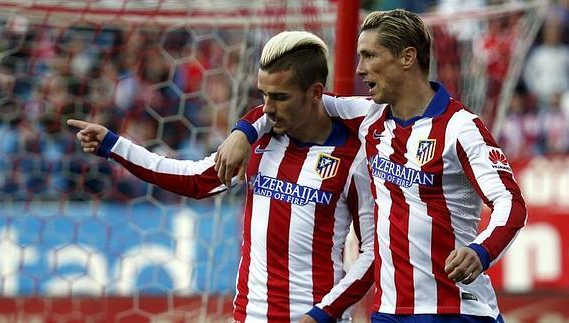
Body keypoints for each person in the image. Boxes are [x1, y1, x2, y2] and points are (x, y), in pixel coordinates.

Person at [215, 9, 527, 323]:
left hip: (452, 309)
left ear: (407, 58)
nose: (360, 69)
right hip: (389, 311)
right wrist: (243, 132)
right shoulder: (370, 117)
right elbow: (292, 102)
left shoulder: (460, 129)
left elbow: (510, 203)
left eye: (369, 56)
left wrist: (480, 250)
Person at [68, 31, 375, 323]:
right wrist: (114, 145)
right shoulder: (260, 140)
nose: (267, 108)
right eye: (263, 96)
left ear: (315, 93)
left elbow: (372, 253)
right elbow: (194, 180)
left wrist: (323, 313)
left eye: (280, 97)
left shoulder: (353, 156)